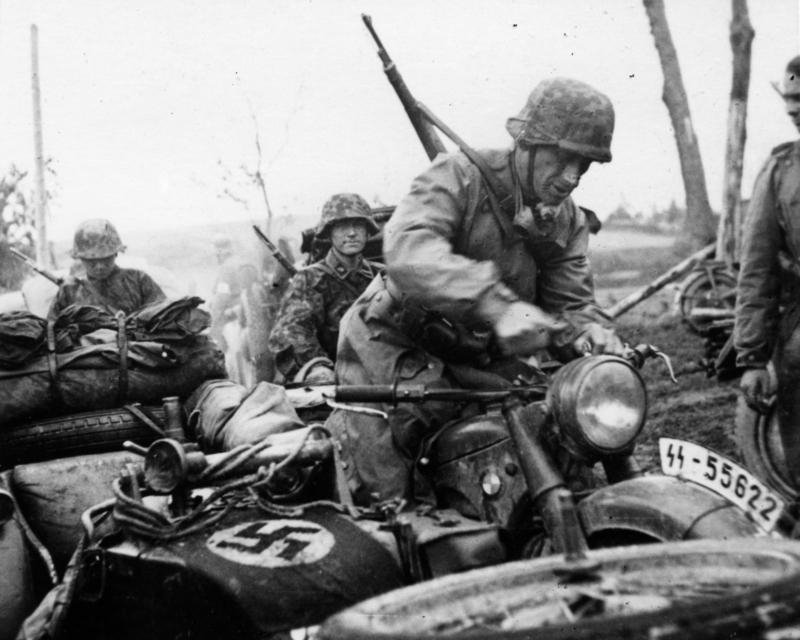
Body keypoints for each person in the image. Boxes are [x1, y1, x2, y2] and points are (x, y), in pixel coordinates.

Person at [326, 77, 625, 506]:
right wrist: (498, 307)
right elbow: (409, 250)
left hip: (479, 355)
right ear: (527, 142)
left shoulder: (566, 220)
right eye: (563, 158)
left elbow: (572, 303)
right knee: (391, 500)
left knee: (557, 447)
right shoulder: (456, 176)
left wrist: (586, 333)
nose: (572, 178)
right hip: (391, 342)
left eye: (585, 165)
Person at [734, 55, 800, 486]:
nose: (792, 108)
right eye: (789, 98)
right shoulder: (781, 171)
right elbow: (757, 270)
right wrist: (753, 358)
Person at [268, 193, 380, 384]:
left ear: (368, 230)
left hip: (386, 372)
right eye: (342, 226)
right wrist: (317, 366)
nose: (352, 233)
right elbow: (291, 331)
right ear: (329, 233)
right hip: (336, 379)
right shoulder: (309, 279)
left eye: (358, 225)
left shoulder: (383, 276)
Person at [48, 218, 165, 319]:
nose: (100, 266)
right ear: (81, 258)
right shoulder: (69, 290)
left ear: (116, 254)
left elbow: (164, 317)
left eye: (105, 259)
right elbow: (52, 329)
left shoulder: (139, 280)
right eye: (92, 260)